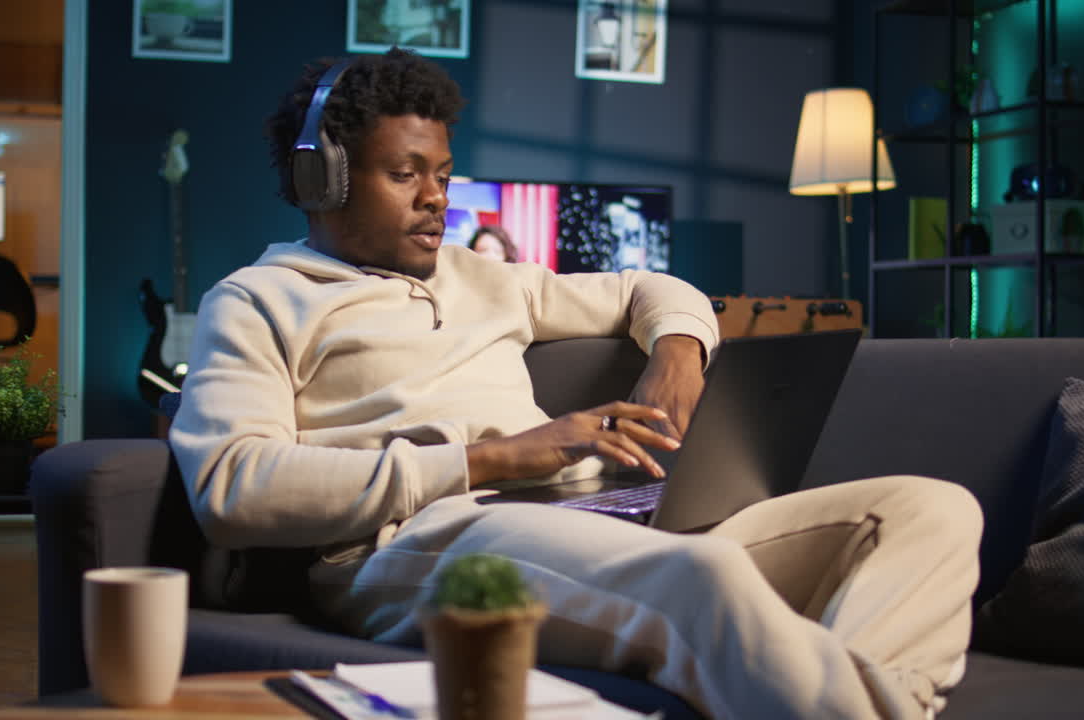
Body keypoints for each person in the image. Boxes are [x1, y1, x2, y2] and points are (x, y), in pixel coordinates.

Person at [170, 48, 982, 720]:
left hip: (597, 521)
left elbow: (647, 288)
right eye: (406, 173)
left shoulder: (488, 279)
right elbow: (231, 488)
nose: (436, 200)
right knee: (707, 578)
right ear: (324, 180)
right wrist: (497, 459)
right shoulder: (257, 299)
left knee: (930, 509)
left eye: (444, 174)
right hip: (423, 545)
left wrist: (679, 354)